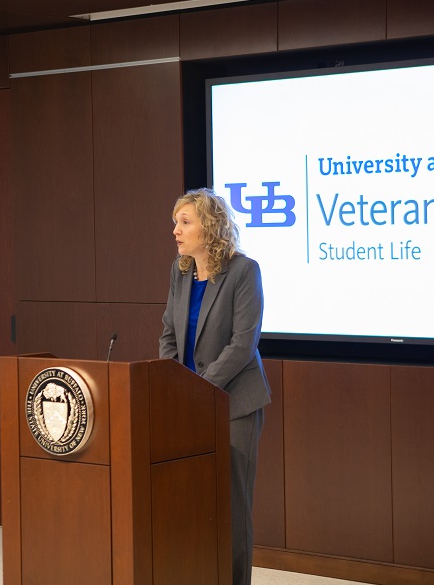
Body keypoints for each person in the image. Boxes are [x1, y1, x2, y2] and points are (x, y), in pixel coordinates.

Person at [159, 188, 271, 585]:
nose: (175, 230)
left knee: (232, 509)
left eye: (185, 222)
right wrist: (175, 387)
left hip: (234, 404)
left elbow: (243, 343)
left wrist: (198, 391)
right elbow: (169, 334)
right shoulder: (180, 271)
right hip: (188, 405)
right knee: (193, 504)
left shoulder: (243, 271)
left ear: (210, 227)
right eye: (175, 222)